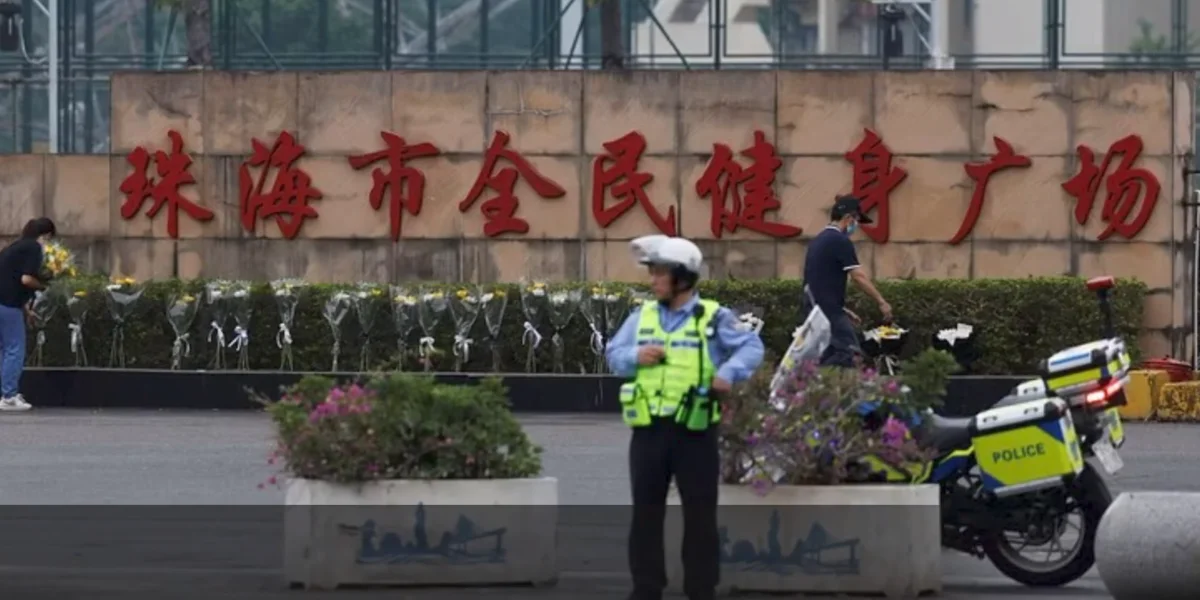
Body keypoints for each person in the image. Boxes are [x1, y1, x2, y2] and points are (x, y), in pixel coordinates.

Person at [605, 236, 764, 600]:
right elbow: (613, 354)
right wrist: (635, 355)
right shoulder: (640, 316)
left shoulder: (713, 317)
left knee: (700, 517)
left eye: (659, 273)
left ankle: (700, 589)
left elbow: (751, 345)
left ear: (682, 278)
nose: (652, 280)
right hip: (648, 432)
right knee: (645, 515)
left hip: (695, 431)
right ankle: (646, 588)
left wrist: (729, 372)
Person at [802, 195, 892, 368]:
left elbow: (817, 280)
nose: (856, 226)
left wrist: (842, 309)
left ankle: (814, 385)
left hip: (816, 310)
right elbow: (858, 276)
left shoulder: (818, 241)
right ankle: (811, 380)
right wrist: (881, 301)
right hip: (829, 313)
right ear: (849, 218)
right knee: (850, 353)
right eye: (857, 220)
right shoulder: (840, 241)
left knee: (828, 353)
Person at [0, 218, 55, 412]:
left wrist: (26, 310)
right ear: (45, 235)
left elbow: (10, 279)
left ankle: (6, 392)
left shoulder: (13, 247)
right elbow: (25, 279)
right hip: (7, 304)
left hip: (5, 303)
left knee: (4, 351)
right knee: (14, 349)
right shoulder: (33, 248)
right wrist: (44, 286)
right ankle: (9, 396)